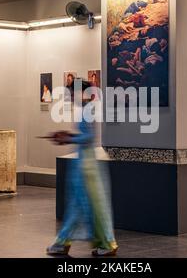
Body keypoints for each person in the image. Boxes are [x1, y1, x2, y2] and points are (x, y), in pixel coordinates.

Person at [46, 81, 118, 257]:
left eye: (72, 93)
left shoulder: (87, 109)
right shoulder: (87, 109)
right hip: (85, 161)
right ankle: (65, 242)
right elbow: (86, 135)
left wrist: (69, 139)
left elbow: (90, 136)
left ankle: (102, 243)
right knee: (81, 204)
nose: (70, 97)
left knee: (86, 204)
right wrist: (69, 136)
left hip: (86, 164)